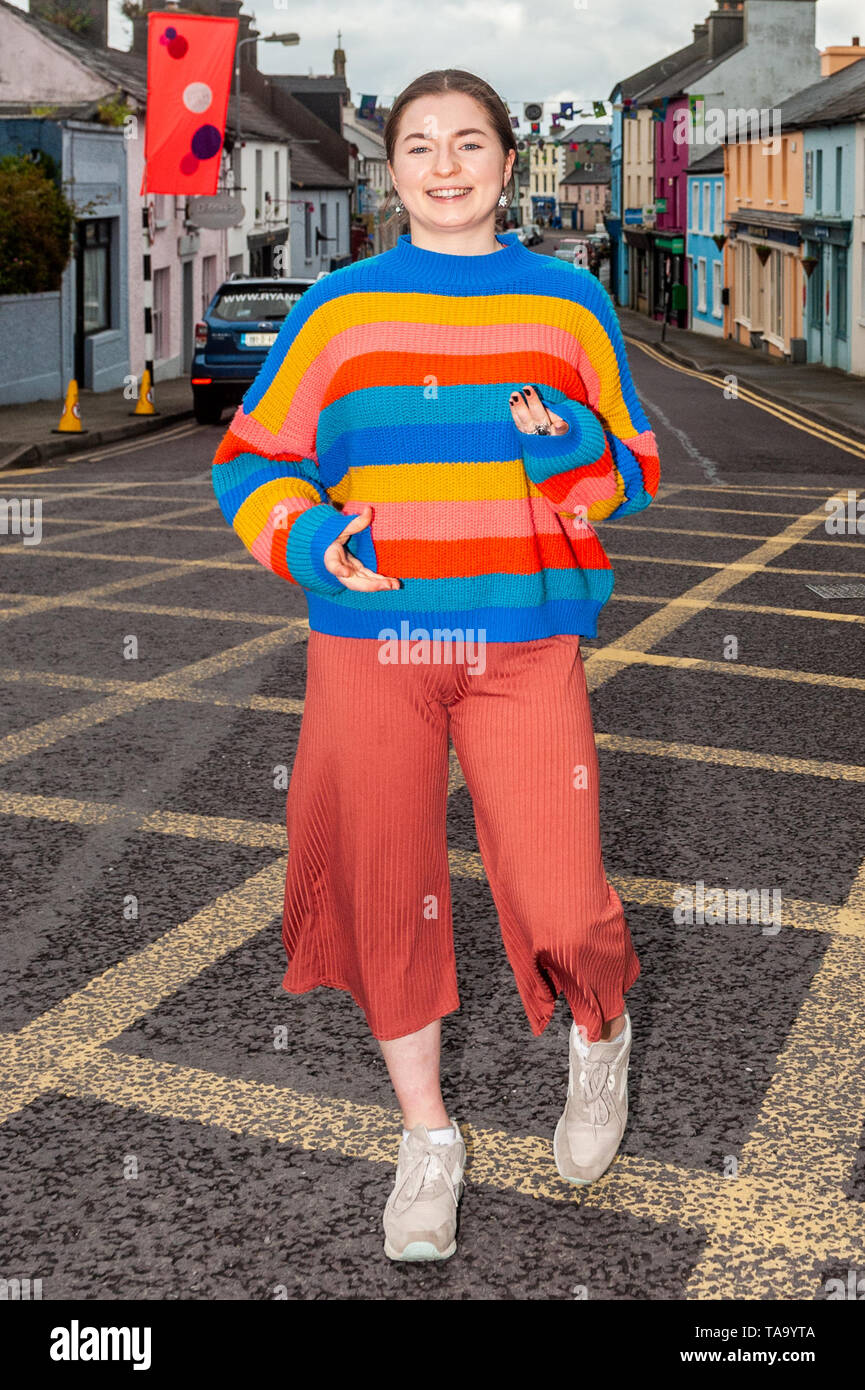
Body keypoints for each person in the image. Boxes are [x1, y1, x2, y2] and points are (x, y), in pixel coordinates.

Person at [211, 68, 660, 1264]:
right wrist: (309, 537)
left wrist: (563, 441)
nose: (445, 165)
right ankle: (428, 1139)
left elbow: (622, 465)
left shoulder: (568, 304)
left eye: (470, 143)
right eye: (419, 146)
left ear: (509, 164)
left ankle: (598, 1036)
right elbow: (250, 461)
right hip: (372, 648)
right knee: (382, 885)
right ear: (391, 167)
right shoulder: (340, 310)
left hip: (522, 643)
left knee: (564, 894)